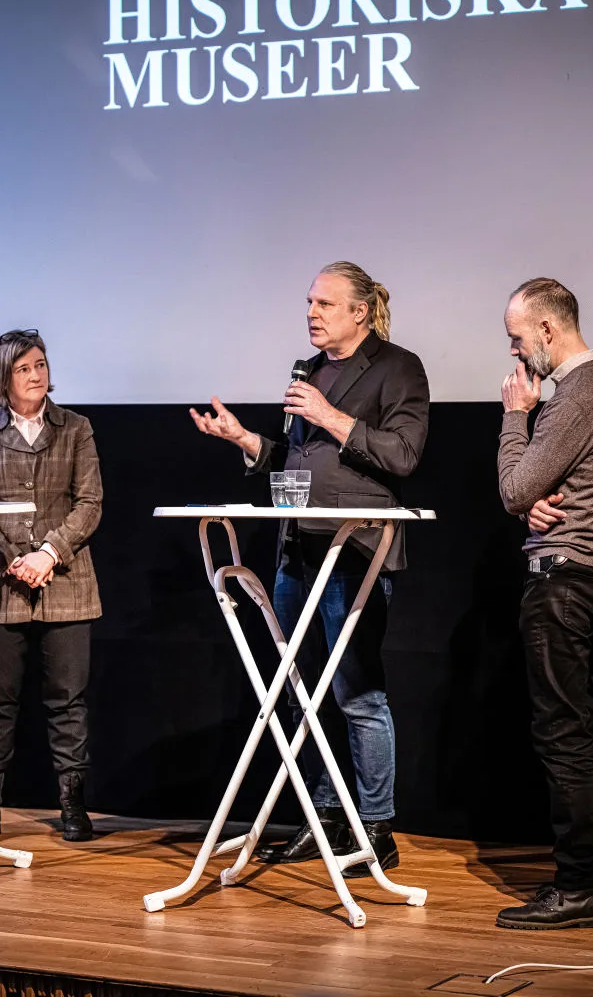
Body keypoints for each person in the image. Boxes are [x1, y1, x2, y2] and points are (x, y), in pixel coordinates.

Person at [190, 261, 429, 873]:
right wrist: (246, 441)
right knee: (299, 688)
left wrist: (326, 414)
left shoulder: (398, 367)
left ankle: (376, 826)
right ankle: (322, 817)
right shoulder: (311, 372)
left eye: (324, 303)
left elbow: (403, 455)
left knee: (356, 691)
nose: (312, 313)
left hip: (355, 549)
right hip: (296, 547)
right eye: (308, 303)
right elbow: (293, 467)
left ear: (361, 311)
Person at [495, 279, 593, 930]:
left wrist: (515, 416)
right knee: (588, 729)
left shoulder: (577, 397)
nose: (517, 356)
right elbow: (537, 490)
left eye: (518, 340)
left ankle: (579, 886)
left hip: (565, 580)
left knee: (564, 737)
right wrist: (535, 495)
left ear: (548, 330)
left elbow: (514, 488)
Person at [0, 329, 102, 843]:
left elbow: (90, 504)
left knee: (68, 701)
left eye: (40, 363)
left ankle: (73, 805)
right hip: (2, 583)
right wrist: (18, 557)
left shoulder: (76, 428)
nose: (37, 374)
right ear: (3, 377)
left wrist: (48, 553)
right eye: (24, 368)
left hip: (67, 582)